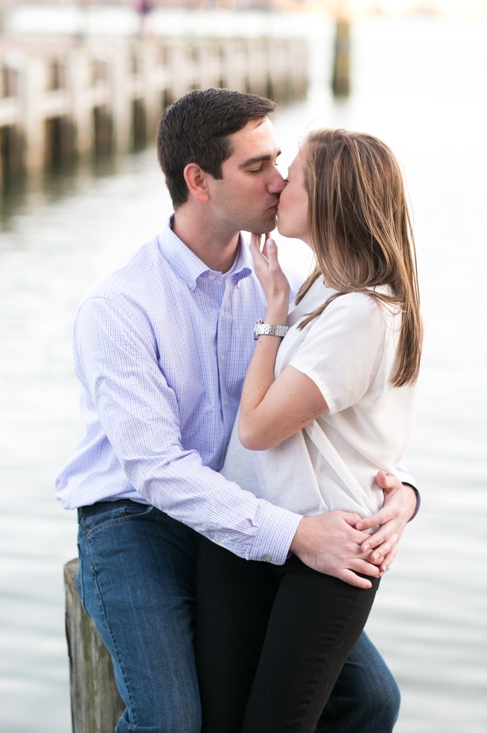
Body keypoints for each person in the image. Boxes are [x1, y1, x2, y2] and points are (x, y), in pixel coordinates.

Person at [54, 88, 420, 732]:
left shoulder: (287, 280)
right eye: (257, 168)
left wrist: (403, 494)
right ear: (198, 180)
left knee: (371, 701)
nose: (280, 184)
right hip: (137, 520)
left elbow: (347, 416)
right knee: (169, 722)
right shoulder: (120, 306)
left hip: (250, 517)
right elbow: (156, 470)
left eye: (279, 161)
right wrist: (298, 535)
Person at [194, 129, 422, 732]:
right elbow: (355, 433)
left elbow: (258, 429)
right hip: (261, 529)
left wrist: (271, 319)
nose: (277, 184)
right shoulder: (324, 286)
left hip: (330, 550)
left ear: (327, 199)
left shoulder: (362, 311)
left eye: (291, 174)